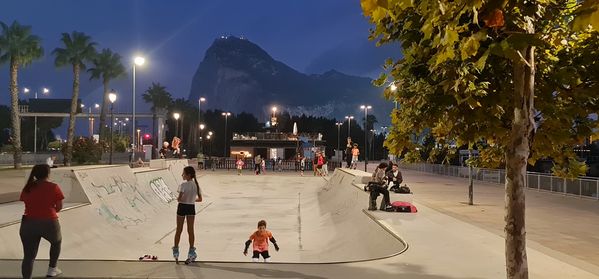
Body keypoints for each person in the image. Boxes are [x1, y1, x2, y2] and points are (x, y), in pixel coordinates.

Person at [19, 164, 64, 278]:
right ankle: (52, 269)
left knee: (29, 256)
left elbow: (26, 202)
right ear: (48, 174)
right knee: (56, 242)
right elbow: (59, 207)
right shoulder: (53, 187)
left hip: (28, 223)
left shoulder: (27, 187)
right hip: (49, 222)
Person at [173, 166, 203, 263]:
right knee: (190, 230)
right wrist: (191, 199)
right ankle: (191, 252)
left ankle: (176, 250)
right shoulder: (196, 185)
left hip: (182, 207)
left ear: (188, 175)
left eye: (184, 173)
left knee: (179, 230)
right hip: (191, 207)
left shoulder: (183, 185)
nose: (182, 175)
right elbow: (200, 199)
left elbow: (179, 199)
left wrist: (179, 198)